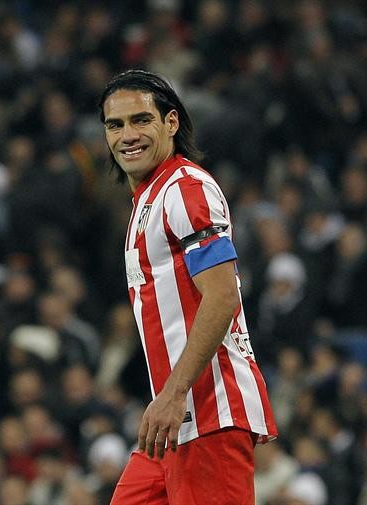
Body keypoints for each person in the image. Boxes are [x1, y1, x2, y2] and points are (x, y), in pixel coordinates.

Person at [99, 69, 278, 504]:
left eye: (141, 120)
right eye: (115, 125)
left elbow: (222, 294)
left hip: (209, 413)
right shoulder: (148, 200)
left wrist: (174, 393)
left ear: (171, 123)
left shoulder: (186, 189)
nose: (127, 135)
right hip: (172, 425)